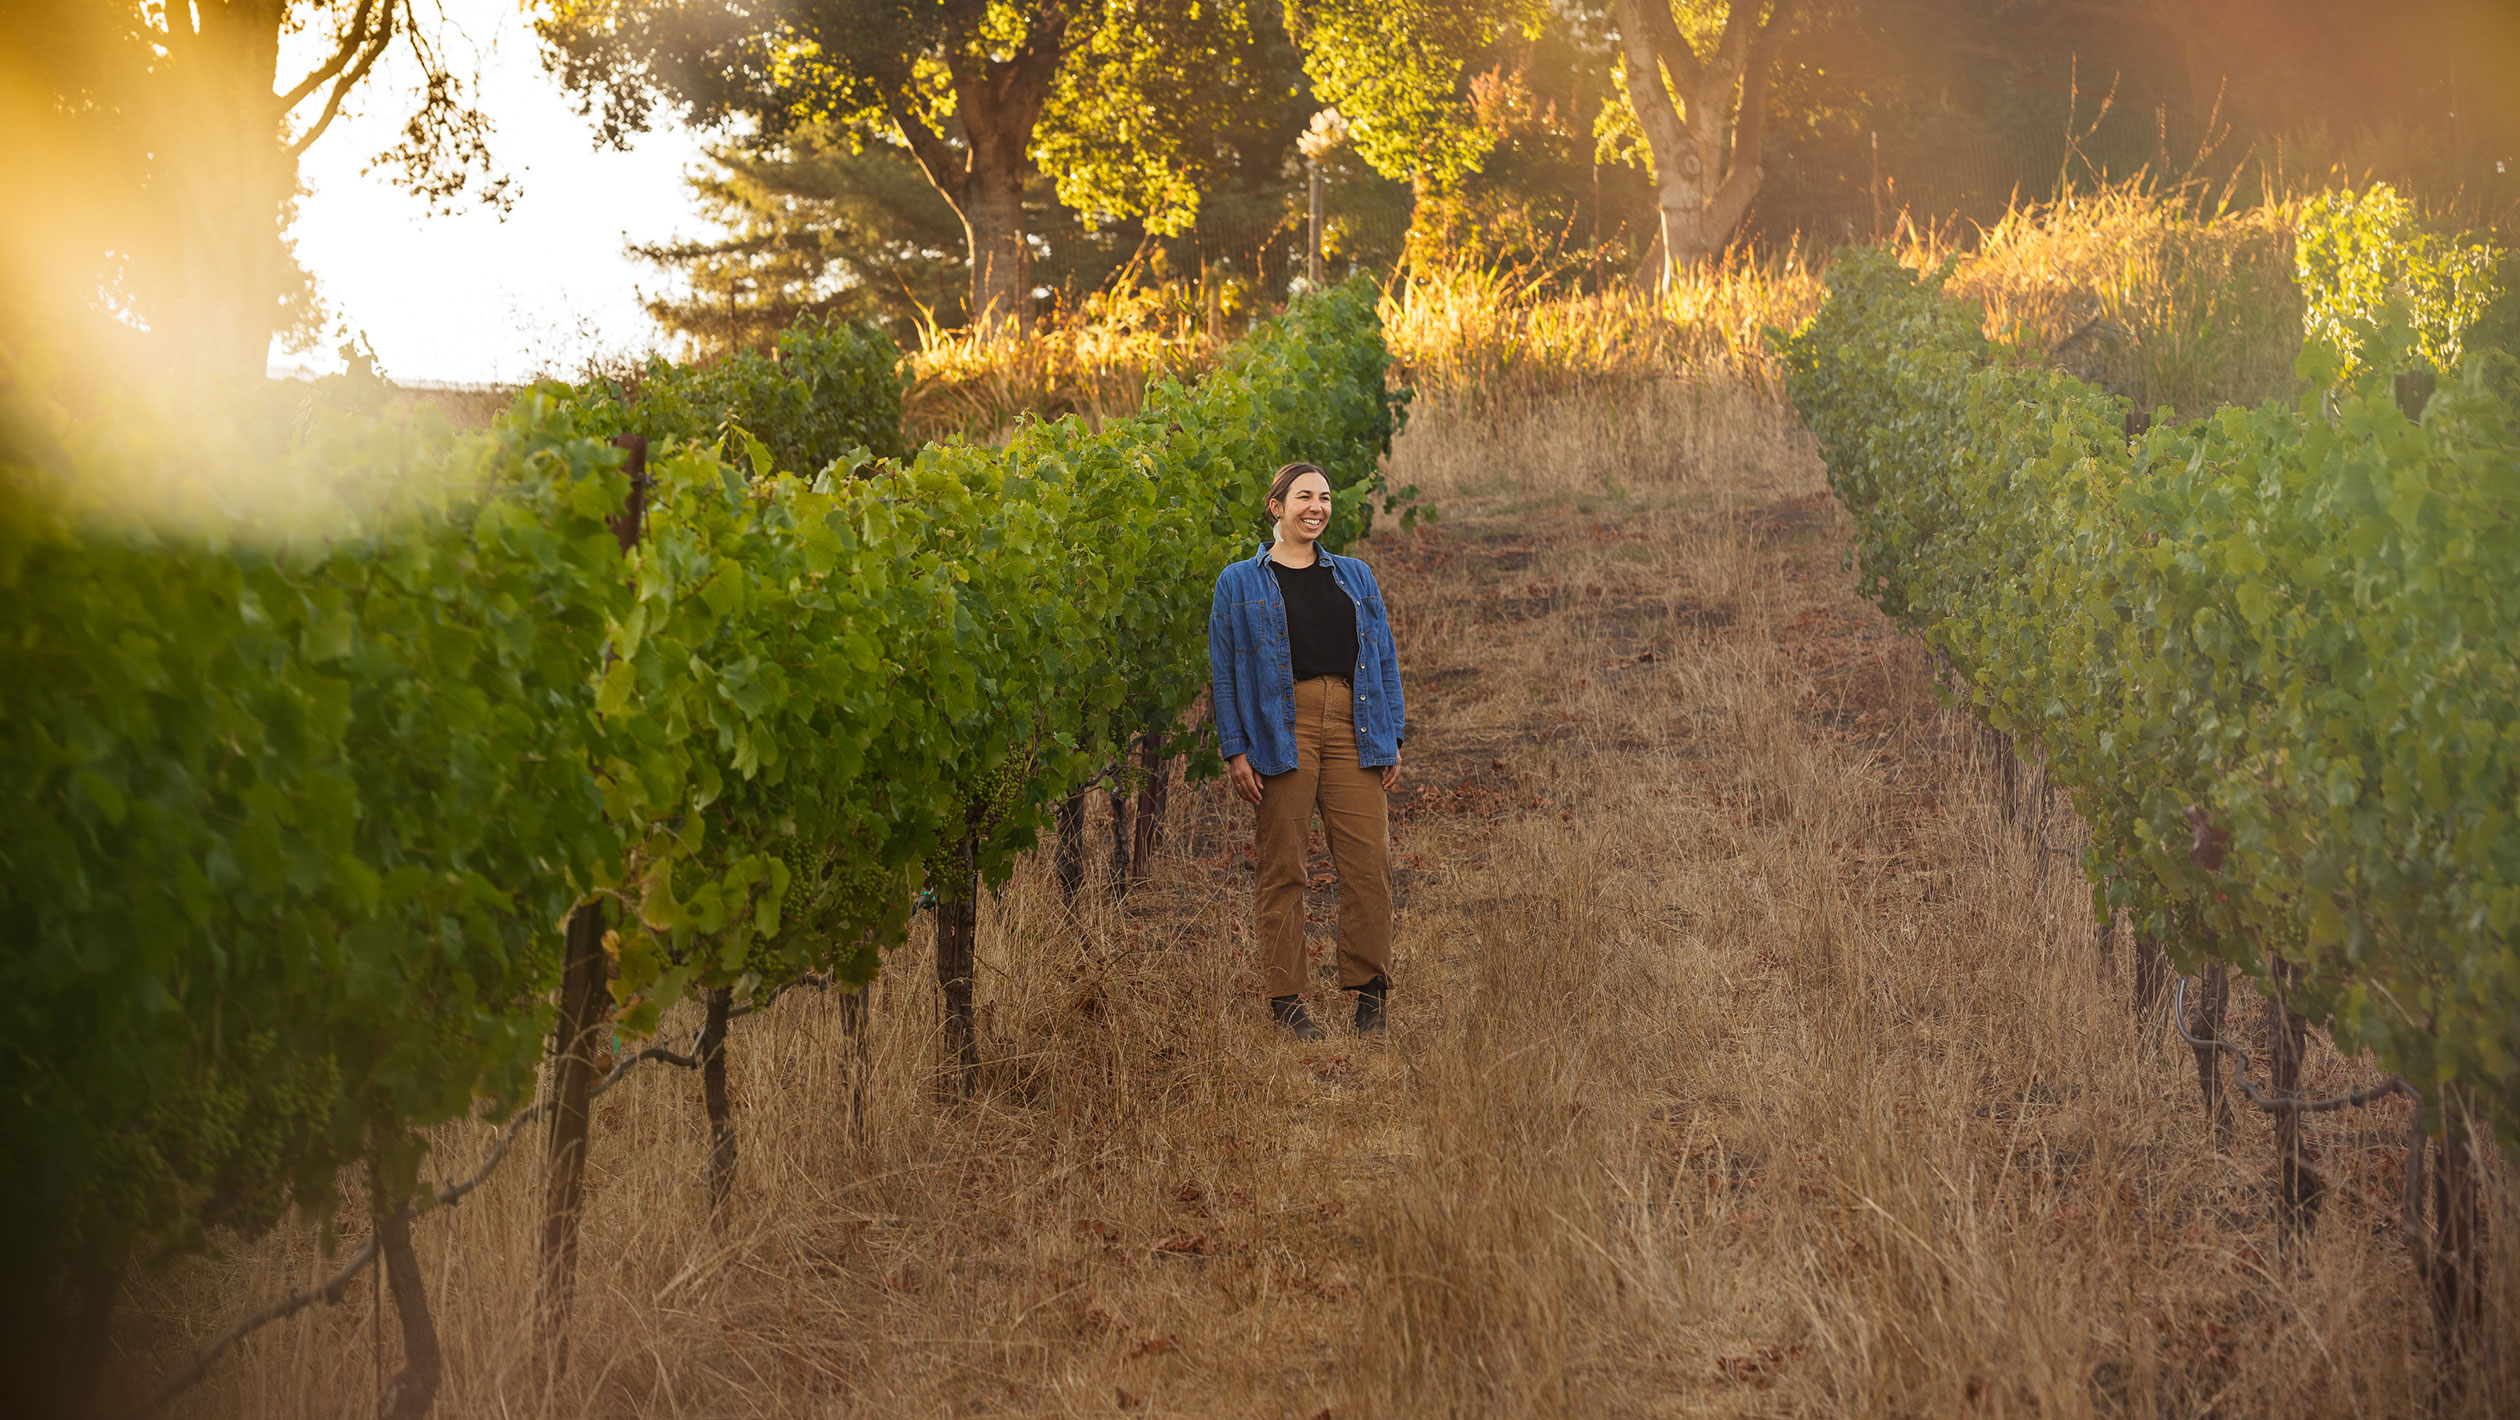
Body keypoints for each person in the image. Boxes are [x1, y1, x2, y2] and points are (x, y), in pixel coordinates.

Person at [1207, 462, 1407, 1038]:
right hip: (1278, 727)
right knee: (1283, 867)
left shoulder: (1356, 576)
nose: (1315, 507)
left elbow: (1384, 656)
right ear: (1276, 507)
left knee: (1369, 862)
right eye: (1303, 497)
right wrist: (1235, 750)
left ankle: (1371, 994)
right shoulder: (1238, 582)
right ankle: (1287, 1002)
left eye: (1323, 498)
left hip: (1354, 721)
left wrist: (1392, 732)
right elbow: (1224, 674)